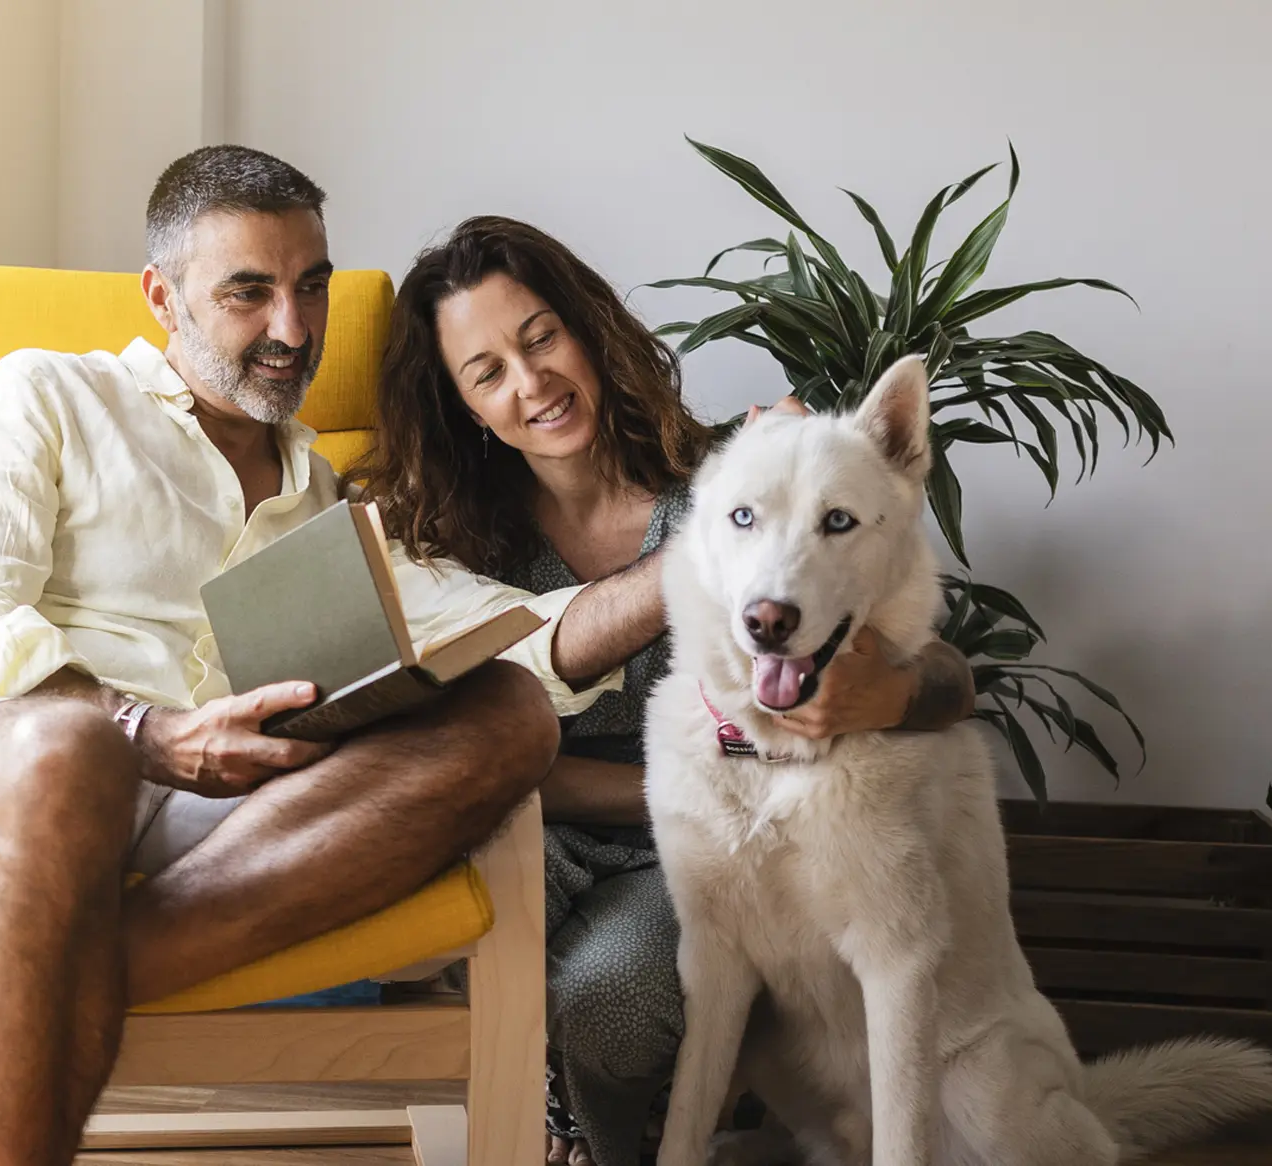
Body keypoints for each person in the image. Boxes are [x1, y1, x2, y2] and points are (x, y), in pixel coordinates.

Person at [0, 148, 668, 1166]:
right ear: (163, 295)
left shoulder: (332, 501)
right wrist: (146, 734)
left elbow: (524, 630)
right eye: (248, 292)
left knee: (505, 718)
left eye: (311, 288)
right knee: (72, 753)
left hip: (224, 823)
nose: (291, 330)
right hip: (0, 766)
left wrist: (705, 559)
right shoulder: (45, 395)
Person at [355, 216, 976, 1166]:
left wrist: (880, 701)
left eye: (540, 339)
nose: (532, 385)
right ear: (464, 408)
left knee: (612, 1000)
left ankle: (606, 1137)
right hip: (518, 830)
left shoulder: (737, 479)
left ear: (589, 330)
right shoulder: (447, 541)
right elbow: (455, 753)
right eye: (487, 374)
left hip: (691, 862)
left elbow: (946, 676)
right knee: (411, 926)